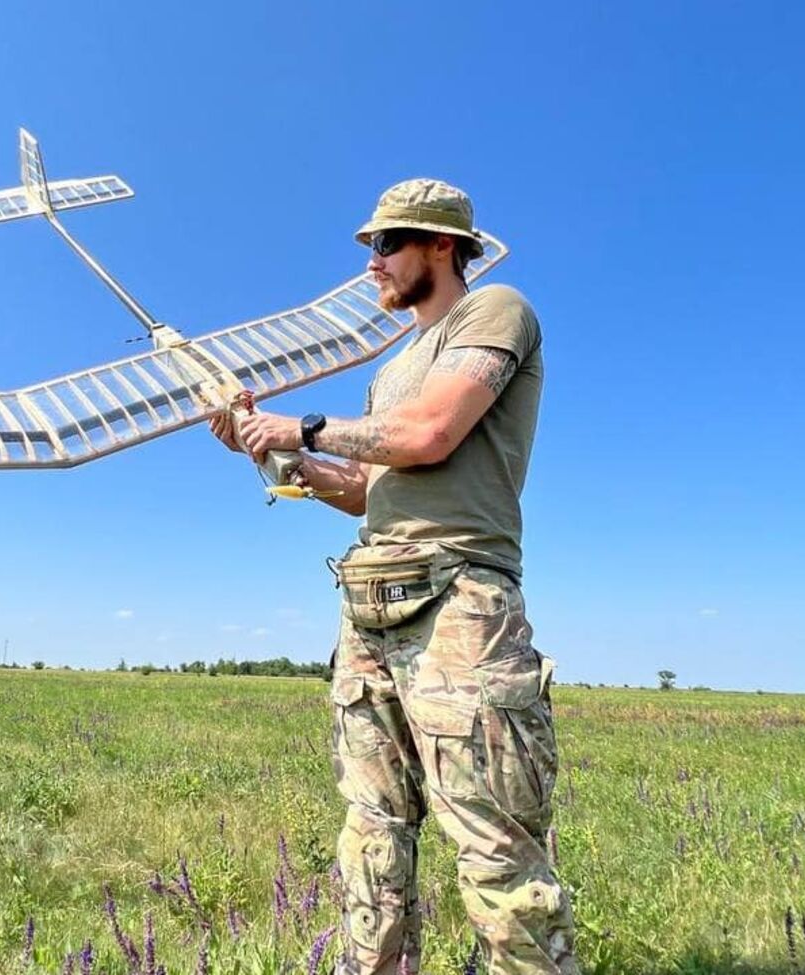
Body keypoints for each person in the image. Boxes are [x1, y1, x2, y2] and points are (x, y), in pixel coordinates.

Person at [209, 179, 578, 975]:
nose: (370, 264)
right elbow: (365, 487)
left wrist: (301, 420)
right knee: (372, 836)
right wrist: (274, 450)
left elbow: (432, 431)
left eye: (384, 246)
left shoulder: (495, 311)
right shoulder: (395, 364)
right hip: (370, 606)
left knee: (495, 847)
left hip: (458, 602)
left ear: (440, 246)